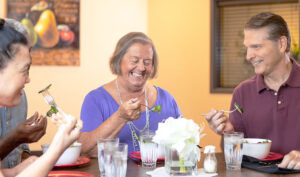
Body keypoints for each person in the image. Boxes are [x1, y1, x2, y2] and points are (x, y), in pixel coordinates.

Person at [205, 12, 300, 170]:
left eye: (256, 46)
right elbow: (235, 159)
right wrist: (229, 133)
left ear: (282, 44)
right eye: (247, 48)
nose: (249, 56)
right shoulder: (242, 92)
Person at [0, 18, 82, 176]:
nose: (28, 79)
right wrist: (57, 147)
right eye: (24, 70)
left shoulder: (18, 98)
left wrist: (21, 168)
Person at [78, 32, 182, 157]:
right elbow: (84, 149)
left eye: (147, 62)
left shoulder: (167, 99)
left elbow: (183, 146)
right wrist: (120, 117)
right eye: (134, 61)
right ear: (118, 61)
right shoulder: (96, 99)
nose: (142, 67)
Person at [0, 18, 39, 169]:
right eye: (23, 50)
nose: (29, 57)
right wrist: (16, 137)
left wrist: (30, 161)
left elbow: (20, 152)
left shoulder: (20, 97)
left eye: (29, 49)